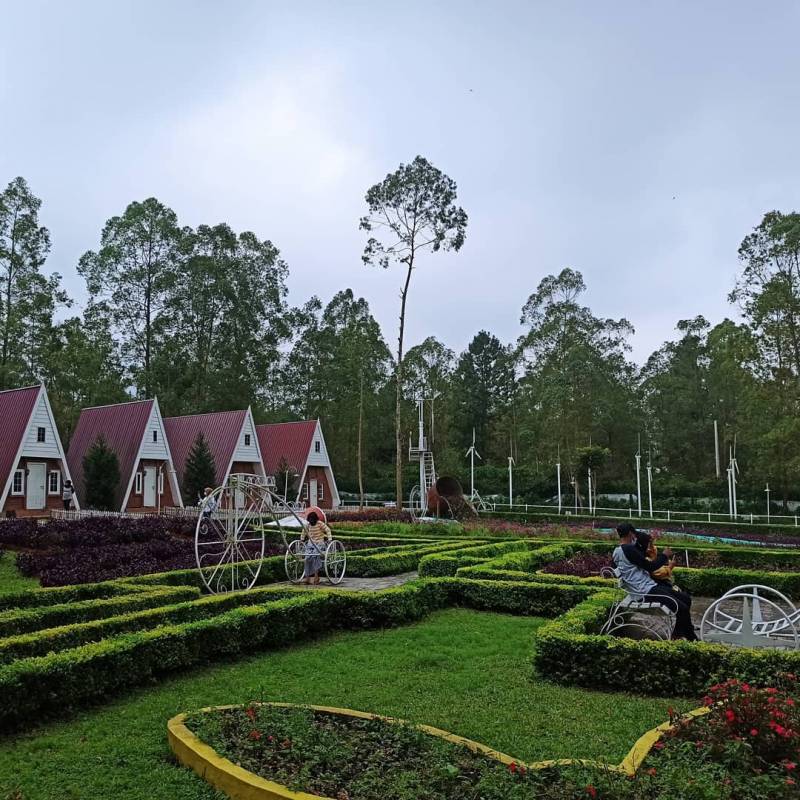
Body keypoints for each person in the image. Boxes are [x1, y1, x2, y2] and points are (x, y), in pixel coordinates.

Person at [613, 522, 698, 641]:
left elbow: (640, 564)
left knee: (685, 599)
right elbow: (650, 566)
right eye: (634, 534)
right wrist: (664, 556)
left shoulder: (619, 551)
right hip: (645, 592)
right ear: (631, 533)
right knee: (682, 608)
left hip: (647, 587)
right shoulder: (628, 549)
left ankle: (678, 632)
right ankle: (692, 638)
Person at [300, 511, 332, 586]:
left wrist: (330, 539)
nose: (311, 521)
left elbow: (327, 530)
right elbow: (304, 531)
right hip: (311, 543)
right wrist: (302, 539)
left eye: (312, 520)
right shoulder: (308, 525)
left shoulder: (320, 524)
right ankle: (307, 577)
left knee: (315, 556)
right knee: (307, 558)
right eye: (310, 520)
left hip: (319, 543)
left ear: (315, 519)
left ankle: (316, 576)